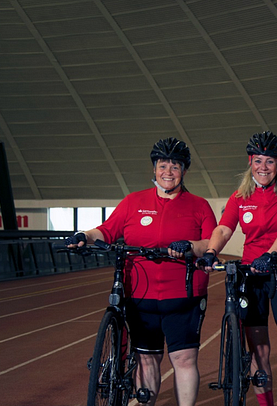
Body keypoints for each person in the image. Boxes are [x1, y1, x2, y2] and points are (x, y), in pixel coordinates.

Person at [65, 137, 217, 406]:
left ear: (184, 171)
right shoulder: (133, 202)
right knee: (147, 358)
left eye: (174, 166)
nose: (167, 172)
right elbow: (107, 230)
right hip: (140, 292)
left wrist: (190, 246)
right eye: (162, 166)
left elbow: (209, 243)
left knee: (183, 358)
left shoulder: (199, 205)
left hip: (183, 293)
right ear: (154, 169)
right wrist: (84, 235)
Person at [200, 131, 277, 406]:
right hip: (250, 276)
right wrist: (211, 251)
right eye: (258, 160)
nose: (263, 167)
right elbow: (224, 228)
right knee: (259, 351)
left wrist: (272, 254)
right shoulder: (239, 196)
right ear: (250, 162)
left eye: (270, 161)